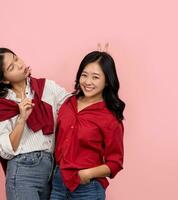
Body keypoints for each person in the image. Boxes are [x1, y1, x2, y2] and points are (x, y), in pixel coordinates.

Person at [0, 47, 70, 200]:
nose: (19, 64)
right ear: (4, 79)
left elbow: (74, 106)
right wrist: (22, 119)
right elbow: (5, 150)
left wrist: (98, 68)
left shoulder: (46, 87)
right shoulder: (3, 105)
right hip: (23, 172)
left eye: (16, 58)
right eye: (11, 67)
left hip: (51, 172)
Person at [50, 50, 125, 200]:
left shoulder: (110, 117)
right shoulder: (67, 104)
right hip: (58, 183)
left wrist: (87, 174)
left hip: (87, 188)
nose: (88, 82)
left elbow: (115, 163)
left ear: (107, 81)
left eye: (95, 77)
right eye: (84, 75)